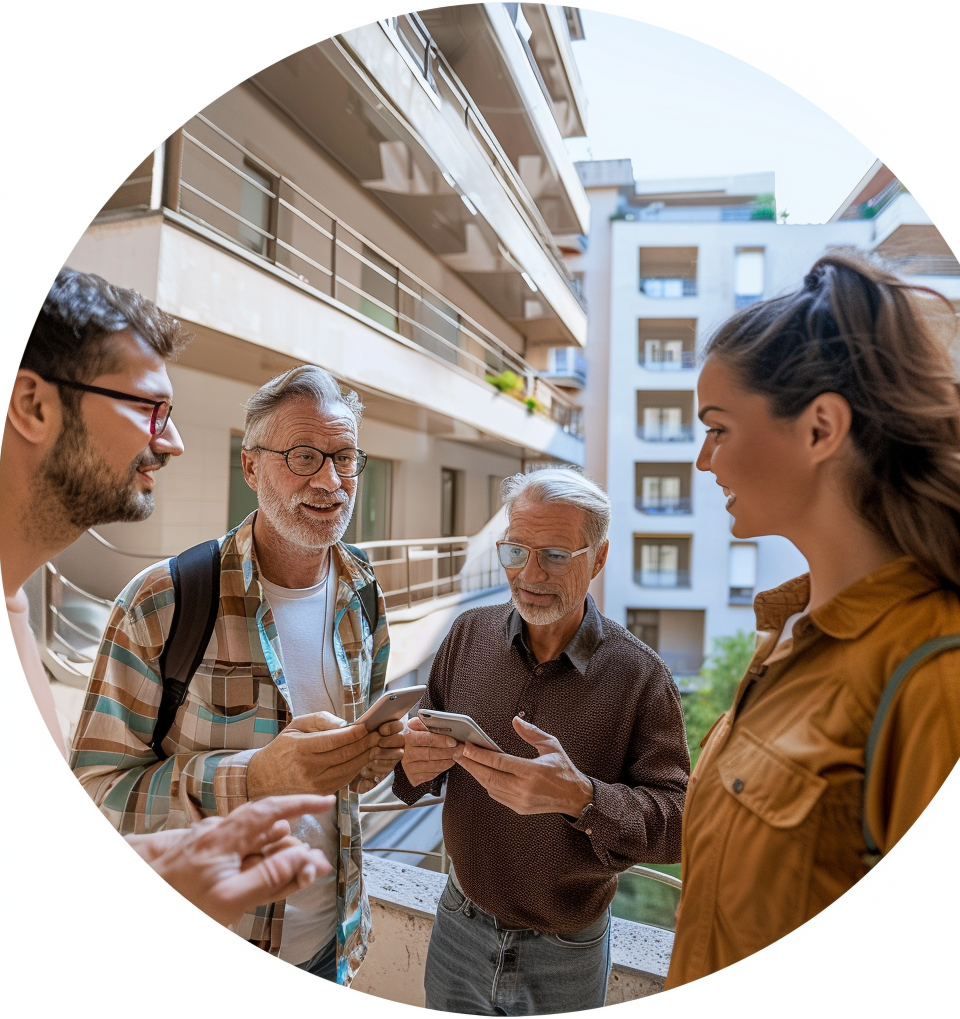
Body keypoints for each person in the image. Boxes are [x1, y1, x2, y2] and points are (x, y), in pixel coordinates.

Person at [665, 251, 960, 988]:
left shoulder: (946, 674)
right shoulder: (789, 634)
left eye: (720, 428)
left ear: (821, 428)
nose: (704, 461)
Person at [1, 268, 334, 927]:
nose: (173, 441)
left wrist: (156, 871)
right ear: (33, 405)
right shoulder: (163, 598)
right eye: (149, 407)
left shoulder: (16, 608)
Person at [70, 363, 404, 984]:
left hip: (333, 943)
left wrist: (374, 755)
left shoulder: (364, 592)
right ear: (250, 468)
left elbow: (348, 768)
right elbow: (93, 795)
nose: (332, 480)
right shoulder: (162, 602)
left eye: (345, 457)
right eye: (304, 457)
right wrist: (252, 778)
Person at [393, 468, 690, 1015]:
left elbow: (680, 823)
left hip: (566, 952)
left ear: (597, 559)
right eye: (515, 551)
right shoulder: (465, 634)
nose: (528, 574)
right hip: (458, 924)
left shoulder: (642, 678)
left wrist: (584, 799)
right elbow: (425, 761)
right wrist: (413, 762)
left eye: (554, 554)